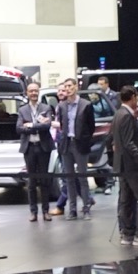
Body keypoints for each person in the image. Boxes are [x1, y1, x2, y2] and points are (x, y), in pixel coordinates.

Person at [108, 87, 138, 245]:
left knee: (126, 199)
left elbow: (117, 140)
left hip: (122, 163)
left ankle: (127, 234)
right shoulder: (127, 116)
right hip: (131, 165)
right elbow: (128, 143)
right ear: (133, 97)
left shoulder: (118, 114)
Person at [53, 80, 96, 219]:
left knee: (82, 178)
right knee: (69, 179)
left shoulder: (86, 105)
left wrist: (85, 139)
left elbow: (91, 126)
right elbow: (61, 124)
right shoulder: (62, 106)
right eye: (65, 86)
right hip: (66, 144)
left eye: (70, 86)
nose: (67, 89)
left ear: (76, 87)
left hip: (80, 144)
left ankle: (86, 208)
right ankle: (72, 210)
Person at [16, 81, 56, 221]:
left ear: (38, 92)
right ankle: (33, 212)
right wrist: (38, 125)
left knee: (45, 181)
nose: (33, 93)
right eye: (31, 91)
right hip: (29, 148)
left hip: (43, 147)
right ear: (27, 93)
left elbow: (47, 126)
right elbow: (19, 128)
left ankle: (45, 211)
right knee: (31, 182)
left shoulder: (46, 107)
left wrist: (31, 125)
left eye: (35, 91)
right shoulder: (22, 110)